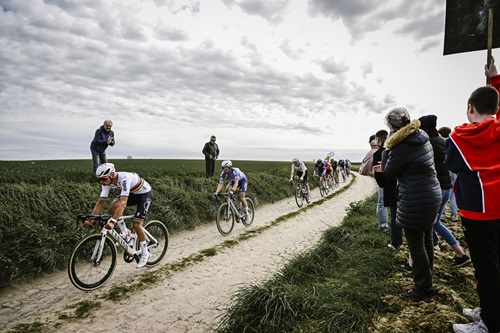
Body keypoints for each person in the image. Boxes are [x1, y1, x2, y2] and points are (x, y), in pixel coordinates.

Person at [448, 58, 500, 333]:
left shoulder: (459, 136)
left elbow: (451, 164)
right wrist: (495, 79)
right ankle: (490, 310)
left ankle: (489, 324)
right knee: (495, 265)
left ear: (470, 108)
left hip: (477, 212)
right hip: (499, 209)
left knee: (486, 270)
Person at [381, 107, 441, 302]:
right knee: (425, 240)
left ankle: (423, 288)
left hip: (415, 198)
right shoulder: (421, 135)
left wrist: (386, 149)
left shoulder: (400, 146)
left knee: (416, 245)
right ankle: (426, 278)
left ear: (392, 127)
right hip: (432, 193)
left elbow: (389, 172)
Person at [419, 115, 470, 267]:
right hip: (446, 187)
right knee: (435, 223)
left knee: (423, 225)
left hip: (435, 189)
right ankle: (459, 254)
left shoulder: (427, 145)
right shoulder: (443, 141)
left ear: (425, 129)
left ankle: (415, 262)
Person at [83, 163, 153, 269]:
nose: (101, 182)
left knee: (136, 224)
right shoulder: (106, 182)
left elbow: (123, 203)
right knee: (113, 206)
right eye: (99, 180)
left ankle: (145, 253)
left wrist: (112, 221)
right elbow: (101, 203)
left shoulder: (124, 178)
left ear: (111, 175)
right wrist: (91, 220)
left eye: (103, 179)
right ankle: (125, 232)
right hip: (133, 194)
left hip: (144, 194)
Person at [438, 126, 459, 222]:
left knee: (442, 192)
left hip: (444, 170)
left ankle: (442, 214)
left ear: (441, 134)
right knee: (452, 194)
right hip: (453, 169)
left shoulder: (440, 142)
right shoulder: (453, 142)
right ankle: (454, 214)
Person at [371, 130, 389, 230]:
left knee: (382, 204)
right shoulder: (394, 150)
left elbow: (377, 173)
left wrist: (381, 184)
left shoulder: (378, 153)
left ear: (378, 141)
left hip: (384, 182)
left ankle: (383, 226)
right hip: (397, 182)